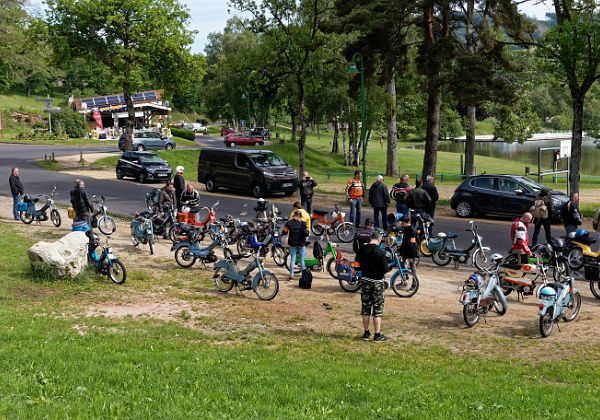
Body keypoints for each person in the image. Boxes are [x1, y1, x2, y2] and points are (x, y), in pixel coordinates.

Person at [355, 229, 389, 342]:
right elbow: (385, 270)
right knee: (377, 310)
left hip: (365, 281)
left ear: (371, 238)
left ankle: (366, 333)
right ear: (379, 240)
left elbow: (356, 266)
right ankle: (377, 335)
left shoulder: (361, 250)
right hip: (378, 283)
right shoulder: (380, 252)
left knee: (366, 308)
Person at [283, 210, 309, 281]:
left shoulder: (289, 223)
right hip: (301, 244)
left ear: (294, 215)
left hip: (292, 244)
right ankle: (304, 276)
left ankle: (291, 275)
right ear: (300, 217)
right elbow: (306, 233)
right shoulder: (303, 224)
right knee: (301, 260)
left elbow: (284, 232)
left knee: (292, 260)